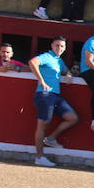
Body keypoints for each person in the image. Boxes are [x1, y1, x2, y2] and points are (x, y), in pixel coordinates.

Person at [27, 36, 79, 167]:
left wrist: (68, 74)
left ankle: (50, 138)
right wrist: (41, 80)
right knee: (42, 124)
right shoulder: (46, 56)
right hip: (44, 94)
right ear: (52, 45)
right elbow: (32, 62)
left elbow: (65, 69)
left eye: (62, 46)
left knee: (72, 118)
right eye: (57, 45)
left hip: (55, 95)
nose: (59, 48)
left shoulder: (58, 60)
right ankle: (39, 157)